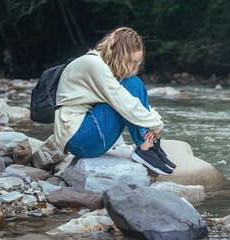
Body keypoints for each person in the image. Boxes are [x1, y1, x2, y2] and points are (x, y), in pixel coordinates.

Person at [53, 27, 176, 175]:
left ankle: (147, 146)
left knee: (133, 84)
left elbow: (128, 100)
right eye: (132, 62)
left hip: (86, 136)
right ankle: (145, 147)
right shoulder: (94, 64)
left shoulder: (102, 65)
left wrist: (155, 120)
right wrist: (156, 124)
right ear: (121, 56)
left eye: (137, 62)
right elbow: (124, 102)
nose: (133, 67)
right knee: (132, 84)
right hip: (79, 140)